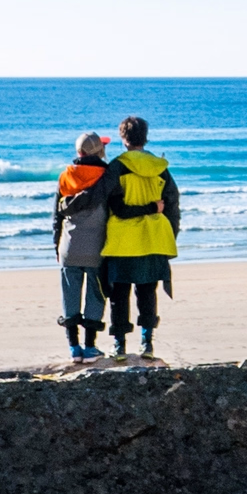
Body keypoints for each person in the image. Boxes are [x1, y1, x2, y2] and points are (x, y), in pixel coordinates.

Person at [99, 114, 180, 361]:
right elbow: (173, 205)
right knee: (147, 292)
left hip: (123, 240)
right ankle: (147, 342)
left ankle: (120, 345)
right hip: (155, 238)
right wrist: (170, 236)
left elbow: (112, 206)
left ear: (123, 139)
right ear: (145, 137)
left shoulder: (117, 166)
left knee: (119, 294)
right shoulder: (160, 167)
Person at [53, 131, 111, 362]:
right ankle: (89, 347)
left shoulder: (66, 176)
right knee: (96, 295)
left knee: (70, 295)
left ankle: (73, 348)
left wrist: (56, 245)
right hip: (97, 246)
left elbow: (56, 216)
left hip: (69, 245)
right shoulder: (106, 177)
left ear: (79, 152)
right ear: (100, 151)